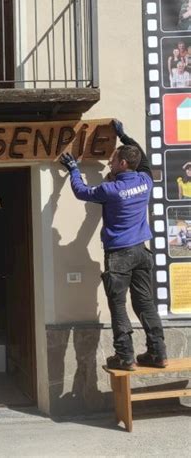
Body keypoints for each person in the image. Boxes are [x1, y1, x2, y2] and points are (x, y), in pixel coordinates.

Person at [59, 120, 167, 371]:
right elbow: (143, 156)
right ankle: (158, 352)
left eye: (114, 159)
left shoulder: (112, 189)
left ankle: (125, 357)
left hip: (119, 255)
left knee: (118, 305)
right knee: (145, 303)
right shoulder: (145, 180)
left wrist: (74, 169)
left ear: (124, 164)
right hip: (141, 251)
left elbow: (81, 192)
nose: (110, 162)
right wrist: (124, 135)